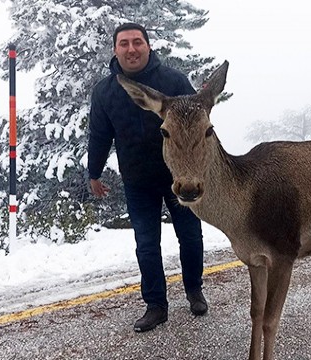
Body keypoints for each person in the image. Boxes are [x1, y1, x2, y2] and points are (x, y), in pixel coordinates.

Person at [87, 22, 208, 333]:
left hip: (179, 178)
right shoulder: (104, 92)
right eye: (124, 43)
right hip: (138, 180)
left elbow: (199, 124)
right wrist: (94, 172)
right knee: (146, 244)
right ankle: (156, 305)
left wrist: (205, 165)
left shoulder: (173, 80)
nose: (131, 49)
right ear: (115, 50)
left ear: (148, 46)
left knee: (191, 237)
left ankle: (194, 290)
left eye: (137, 42)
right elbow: (100, 136)